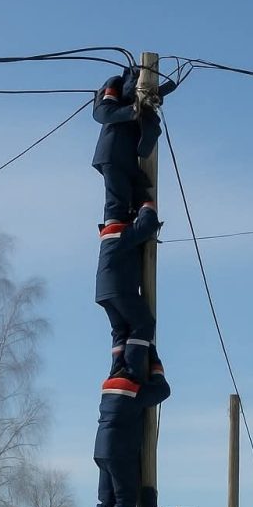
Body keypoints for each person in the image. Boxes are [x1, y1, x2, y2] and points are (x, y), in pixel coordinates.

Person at [89, 364, 170, 507]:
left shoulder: (107, 389)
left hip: (101, 451)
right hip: (119, 451)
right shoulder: (132, 390)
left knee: (106, 500)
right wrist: (156, 367)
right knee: (125, 500)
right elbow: (163, 390)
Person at [91, 67, 177, 222]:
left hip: (129, 160)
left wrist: (149, 106)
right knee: (118, 202)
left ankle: (139, 227)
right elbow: (103, 112)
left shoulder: (147, 108)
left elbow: (146, 143)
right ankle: (115, 232)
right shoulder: (116, 83)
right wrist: (135, 110)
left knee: (140, 198)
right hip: (113, 153)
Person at [96, 201, 161, 379]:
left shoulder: (109, 237)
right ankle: (131, 371)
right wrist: (147, 207)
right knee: (143, 325)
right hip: (120, 288)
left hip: (105, 292)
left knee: (121, 330)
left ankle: (117, 370)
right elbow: (147, 226)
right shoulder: (121, 234)